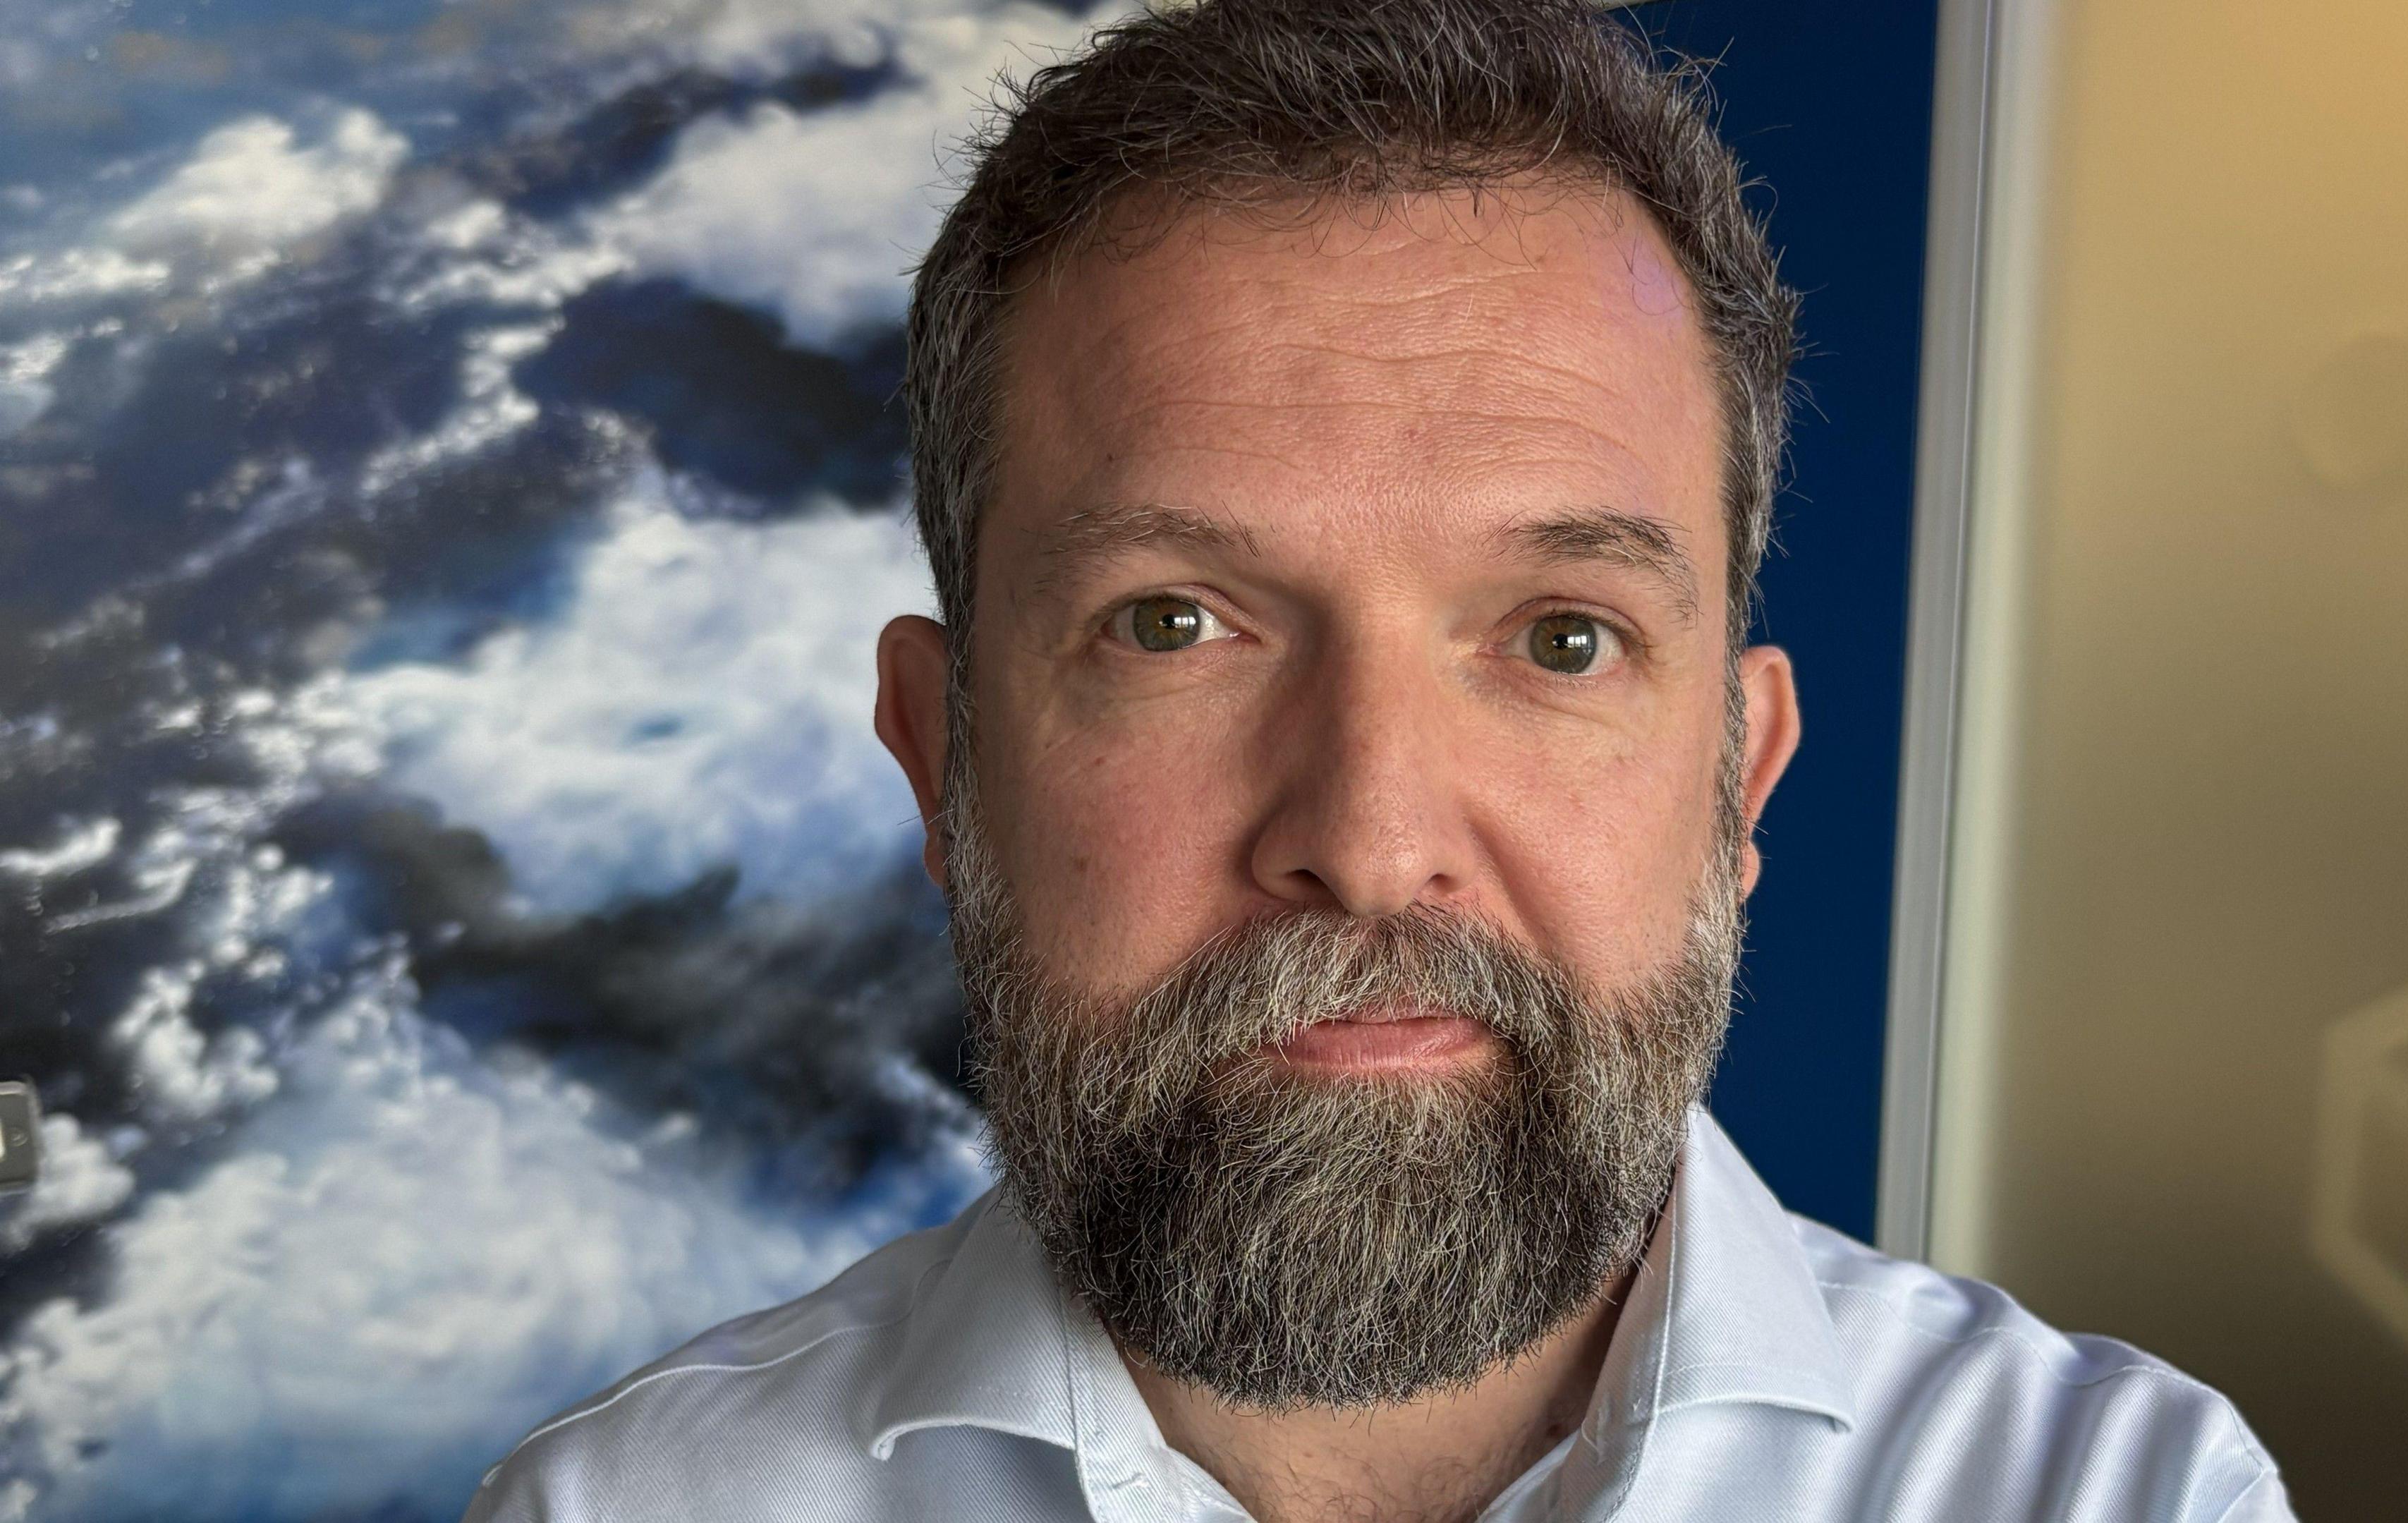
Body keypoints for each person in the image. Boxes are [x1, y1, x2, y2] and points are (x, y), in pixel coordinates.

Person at [461, 1, 2294, 1519]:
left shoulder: (2112, 1495)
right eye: (1174, 624)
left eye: (1561, 639)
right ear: (944, 757)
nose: (1371, 833)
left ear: (1739, 779)